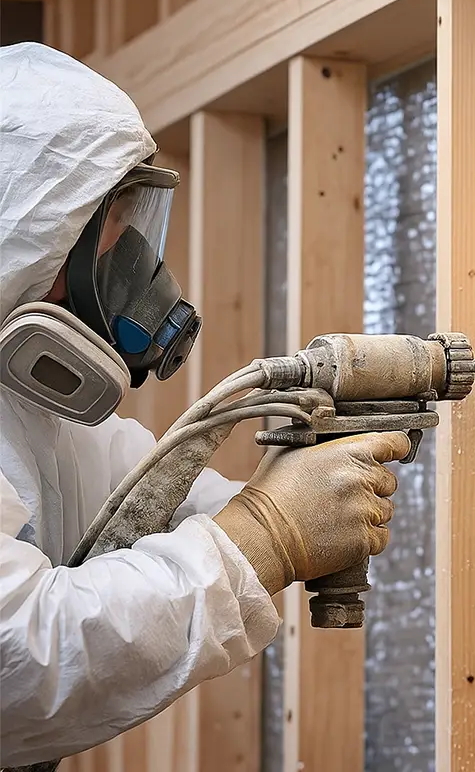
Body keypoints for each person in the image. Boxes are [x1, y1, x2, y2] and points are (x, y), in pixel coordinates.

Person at [0, 43, 409, 768]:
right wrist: (268, 533)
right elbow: (23, 659)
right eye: (109, 246)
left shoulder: (25, 407)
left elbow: (122, 490)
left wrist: (281, 488)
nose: (133, 276)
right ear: (26, 239)